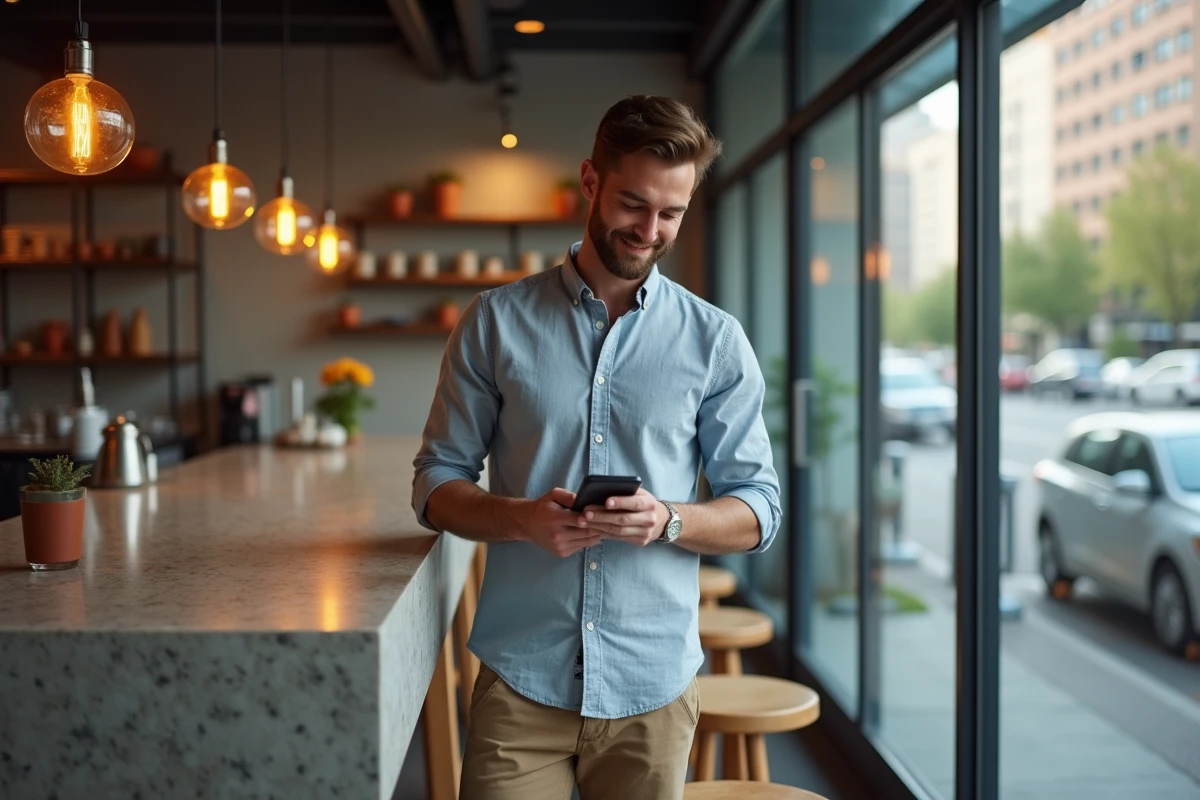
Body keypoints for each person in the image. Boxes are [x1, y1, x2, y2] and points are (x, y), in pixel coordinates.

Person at [412, 94, 781, 800]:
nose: (648, 230)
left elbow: (759, 509)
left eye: (670, 213)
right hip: (521, 683)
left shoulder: (715, 341)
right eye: (632, 204)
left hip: (653, 689)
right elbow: (435, 482)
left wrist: (668, 519)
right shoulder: (494, 322)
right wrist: (520, 519)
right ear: (590, 181)